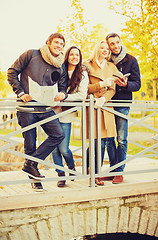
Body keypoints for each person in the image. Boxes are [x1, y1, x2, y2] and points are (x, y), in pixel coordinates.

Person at [7, 33, 68, 191]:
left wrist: (63, 94)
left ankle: (30, 164)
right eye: (56, 42)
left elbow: (63, 87)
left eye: (62, 44)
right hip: (26, 108)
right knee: (30, 144)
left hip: (45, 108)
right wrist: (20, 93)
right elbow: (12, 72)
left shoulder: (60, 65)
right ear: (48, 43)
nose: (59, 46)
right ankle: (35, 181)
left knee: (58, 134)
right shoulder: (31, 54)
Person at [105, 33, 141, 184]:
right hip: (107, 103)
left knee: (121, 139)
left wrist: (125, 84)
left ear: (121, 42)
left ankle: (119, 171)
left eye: (117, 42)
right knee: (108, 139)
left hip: (123, 104)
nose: (115, 46)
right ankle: (113, 170)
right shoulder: (105, 60)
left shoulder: (131, 60)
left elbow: (137, 84)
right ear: (108, 46)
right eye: (112, 44)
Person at [52, 46, 89, 187]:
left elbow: (81, 95)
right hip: (53, 111)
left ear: (80, 58)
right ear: (67, 56)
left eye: (77, 55)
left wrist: (64, 97)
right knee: (54, 148)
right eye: (71, 54)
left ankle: (71, 166)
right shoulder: (58, 69)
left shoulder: (82, 74)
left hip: (67, 113)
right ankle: (61, 175)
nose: (74, 57)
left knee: (63, 148)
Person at [84, 40, 119, 186]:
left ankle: (94, 171)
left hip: (106, 105)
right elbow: (84, 87)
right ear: (97, 49)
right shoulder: (87, 65)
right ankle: (94, 172)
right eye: (102, 48)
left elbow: (113, 89)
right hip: (92, 106)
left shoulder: (112, 66)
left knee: (104, 140)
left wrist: (104, 98)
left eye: (106, 48)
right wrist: (101, 85)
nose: (105, 50)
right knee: (96, 141)